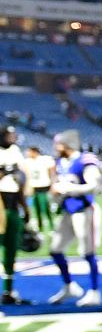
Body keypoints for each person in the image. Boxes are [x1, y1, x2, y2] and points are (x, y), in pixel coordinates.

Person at [48, 130, 102, 306]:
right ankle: (69, 286)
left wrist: (69, 188)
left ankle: (95, 292)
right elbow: (57, 187)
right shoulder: (59, 163)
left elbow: (95, 186)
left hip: (85, 209)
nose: (56, 147)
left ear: (68, 144)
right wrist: (56, 192)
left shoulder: (84, 160)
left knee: (87, 252)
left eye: (59, 144)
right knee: (55, 249)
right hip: (67, 210)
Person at [0, 126, 31, 304]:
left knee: (11, 250)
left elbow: (19, 183)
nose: (12, 138)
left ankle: (8, 291)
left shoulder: (16, 152)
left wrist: (25, 208)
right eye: (8, 135)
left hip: (12, 206)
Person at [22, 146, 54, 232]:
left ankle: (51, 225)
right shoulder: (27, 161)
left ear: (35, 152)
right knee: (36, 208)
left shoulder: (44, 159)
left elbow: (52, 168)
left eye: (30, 152)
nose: (28, 153)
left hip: (43, 187)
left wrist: (52, 182)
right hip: (33, 187)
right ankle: (40, 227)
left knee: (45, 207)